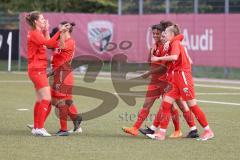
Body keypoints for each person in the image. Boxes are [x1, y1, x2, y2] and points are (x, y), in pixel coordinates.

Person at [148, 24, 214, 141]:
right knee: (166, 104)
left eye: (166, 33)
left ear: (172, 35)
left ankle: (208, 131)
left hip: (183, 77)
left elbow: (174, 57)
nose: (164, 35)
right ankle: (161, 133)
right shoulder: (171, 43)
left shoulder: (175, 43)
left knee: (192, 106)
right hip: (176, 78)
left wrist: (158, 59)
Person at [122, 22, 184, 138]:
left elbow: (163, 67)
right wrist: (151, 52)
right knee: (146, 104)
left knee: (171, 106)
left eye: (158, 33)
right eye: (153, 33)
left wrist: (148, 72)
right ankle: (135, 128)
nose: (155, 35)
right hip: (154, 81)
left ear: (163, 34)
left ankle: (178, 130)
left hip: (166, 81)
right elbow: (151, 62)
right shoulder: (154, 46)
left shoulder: (167, 46)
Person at [25, 11, 68, 136]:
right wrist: (59, 32)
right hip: (37, 69)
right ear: (35, 22)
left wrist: (47, 30)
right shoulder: (34, 33)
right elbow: (49, 44)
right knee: (47, 98)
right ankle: (39, 128)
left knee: (40, 99)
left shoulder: (38, 33)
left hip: (38, 69)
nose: (44, 20)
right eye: (42, 19)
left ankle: (36, 127)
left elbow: (49, 44)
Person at [49, 22, 82, 136]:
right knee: (59, 101)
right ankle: (75, 117)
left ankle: (63, 129)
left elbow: (62, 48)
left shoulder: (70, 42)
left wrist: (62, 32)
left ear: (66, 30)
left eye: (62, 28)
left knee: (59, 101)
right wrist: (51, 72)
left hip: (64, 74)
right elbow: (49, 45)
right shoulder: (59, 41)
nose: (59, 29)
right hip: (59, 73)